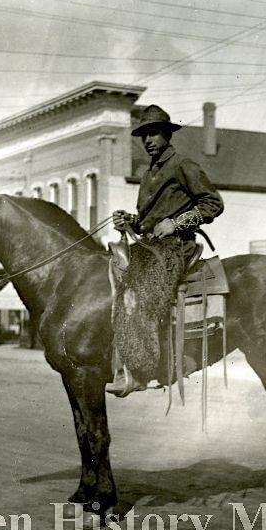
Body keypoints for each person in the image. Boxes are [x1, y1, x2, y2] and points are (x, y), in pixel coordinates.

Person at [106, 104, 224, 396]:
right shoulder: (149, 173)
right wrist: (130, 221)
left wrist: (176, 223)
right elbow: (148, 222)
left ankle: (142, 371)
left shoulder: (183, 165)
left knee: (142, 294)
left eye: (154, 134)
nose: (148, 141)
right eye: (144, 135)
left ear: (167, 135)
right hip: (151, 246)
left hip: (175, 248)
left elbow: (213, 203)